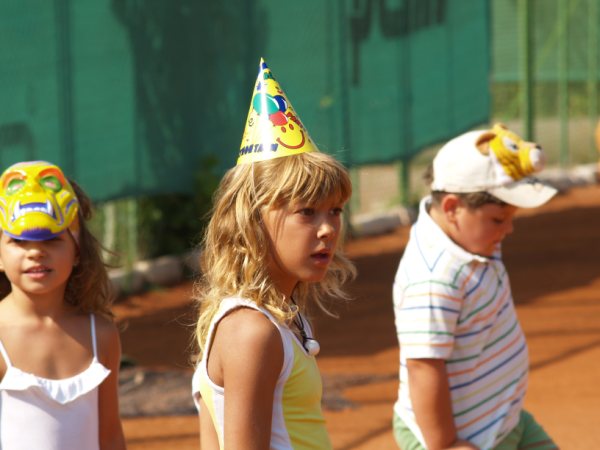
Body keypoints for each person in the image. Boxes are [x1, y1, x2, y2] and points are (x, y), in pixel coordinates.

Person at [191, 58, 355, 449]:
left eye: (335, 211)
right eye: (307, 212)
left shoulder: (280, 318)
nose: (328, 229)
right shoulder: (252, 331)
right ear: (252, 221)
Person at [392, 124, 559, 450]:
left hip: (502, 419)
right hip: (464, 438)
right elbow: (423, 366)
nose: (508, 229)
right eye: (499, 219)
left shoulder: (470, 238)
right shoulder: (433, 279)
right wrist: (447, 444)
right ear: (452, 208)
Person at [0, 161, 126, 449]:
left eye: (52, 239)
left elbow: (110, 436)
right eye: (18, 241)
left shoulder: (102, 335)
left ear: (78, 251)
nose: (35, 252)